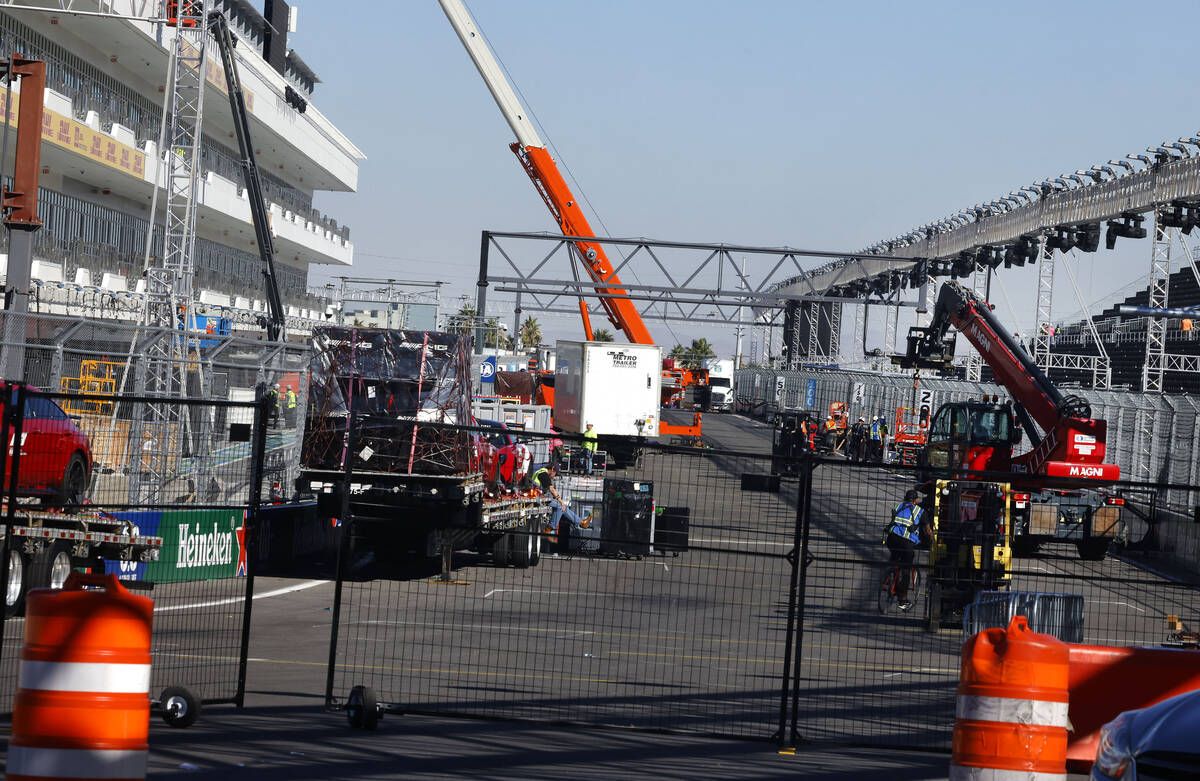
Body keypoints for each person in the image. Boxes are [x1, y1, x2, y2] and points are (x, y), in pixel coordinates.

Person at [884, 489, 931, 611]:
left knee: (894, 558)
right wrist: (931, 540)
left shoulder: (897, 507)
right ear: (916, 501)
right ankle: (903, 600)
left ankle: (887, 579)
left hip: (892, 539)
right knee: (906, 570)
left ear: (905, 498)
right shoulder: (920, 511)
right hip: (906, 543)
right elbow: (928, 530)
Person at [532, 463, 591, 541]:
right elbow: (552, 490)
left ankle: (581, 523)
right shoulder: (544, 474)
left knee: (563, 507)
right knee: (560, 505)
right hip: (538, 498)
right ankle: (549, 528)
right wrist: (561, 501)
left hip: (539, 497)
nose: (555, 476)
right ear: (552, 469)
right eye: (555, 473)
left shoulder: (540, 472)